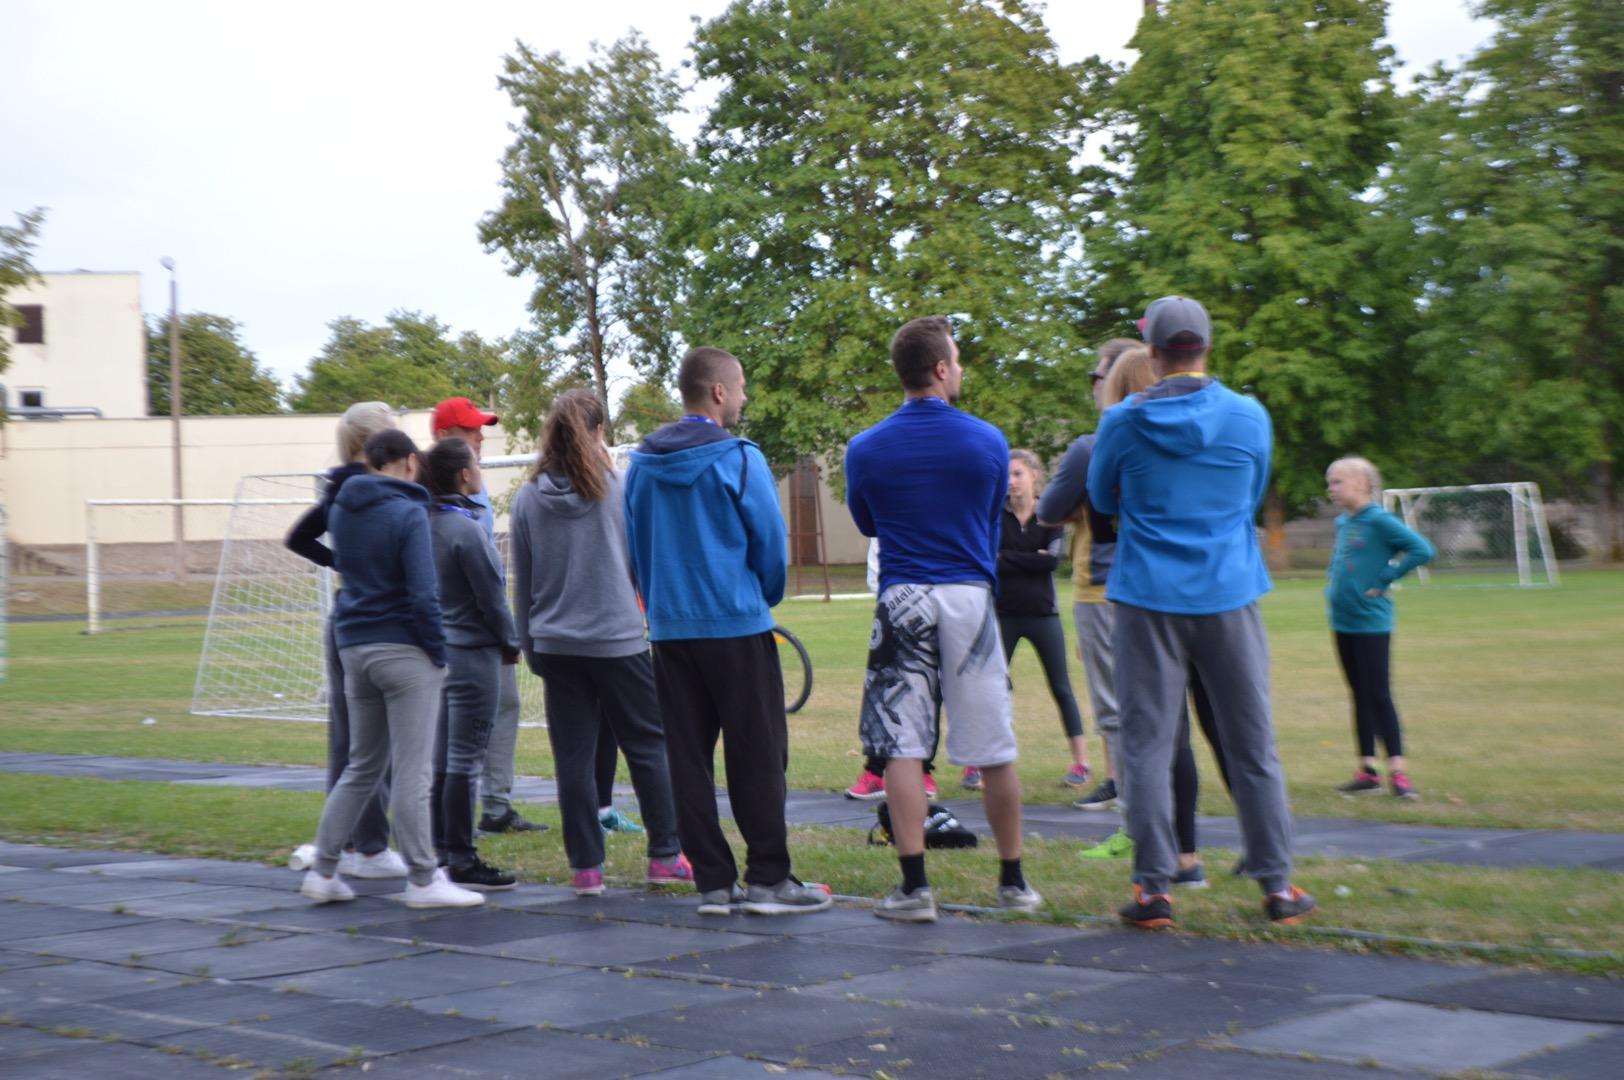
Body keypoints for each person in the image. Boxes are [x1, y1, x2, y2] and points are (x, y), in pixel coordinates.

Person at [1087, 295, 1313, 928]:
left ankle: (1153, 889)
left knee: (1147, 745)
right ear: (1206, 347)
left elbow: (1101, 497)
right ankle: (1277, 886)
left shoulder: (1122, 421)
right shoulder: (1248, 415)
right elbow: (1251, 490)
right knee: (1252, 742)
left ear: (1153, 353)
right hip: (1229, 591)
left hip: (1147, 597)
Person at [846, 316, 1042, 924]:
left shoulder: (865, 447)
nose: (960, 369)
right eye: (955, 360)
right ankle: (1013, 883)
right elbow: (988, 512)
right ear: (939, 369)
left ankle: (914, 888)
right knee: (994, 746)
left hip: (903, 593)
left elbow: (867, 522)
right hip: (968, 595)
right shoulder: (988, 441)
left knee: (902, 746)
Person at [624, 347, 829, 916]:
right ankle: (768, 878)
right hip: (736, 624)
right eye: (739, 387)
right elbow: (770, 545)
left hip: (671, 631)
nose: (743, 397)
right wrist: (759, 598)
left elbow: (634, 549)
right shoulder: (740, 458)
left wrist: (661, 603)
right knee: (758, 753)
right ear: (718, 392)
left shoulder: (639, 466)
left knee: (686, 759)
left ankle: (713, 882)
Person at [512, 389, 691, 896]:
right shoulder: (618, 487)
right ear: (597, 432)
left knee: (573, 760)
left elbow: (523, 581)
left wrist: (529, 645)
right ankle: (665, 855)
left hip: (556, 644)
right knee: (649, 746)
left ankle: (586, 868)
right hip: (617, 639)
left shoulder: (528, 497)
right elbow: (642, 563)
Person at [300, 429, 483, 909]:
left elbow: (329, 554)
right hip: (404, 651)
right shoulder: (409, 511)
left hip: (354, 645)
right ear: (409, 462)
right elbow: (423, 592)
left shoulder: (342, 505)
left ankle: (324, 870)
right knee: (413, 772)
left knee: (362, 766)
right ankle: (423, 879)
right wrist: (438, 653)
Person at [1063, 347, 1222, 887]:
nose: (1094, 384)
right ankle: (1211, 860)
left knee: (1152, 734)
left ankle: (1156, 868)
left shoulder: (1114, 432)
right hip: (1206, 592)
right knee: (1218, 732)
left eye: (1099, 376)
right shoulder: (1216, 424)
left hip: (1141, 597)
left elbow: (1096, 510)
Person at [284, 401, 407, 881]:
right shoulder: (372, 491)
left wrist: (342, 564)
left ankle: (345, 846)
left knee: (348, 739)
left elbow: (299, 537)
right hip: (375, 622)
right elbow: (300, 539)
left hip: (346, 618)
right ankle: (369, 847)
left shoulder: (339, 491)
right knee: (375, 742)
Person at [429, 397, 546, 837]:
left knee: (505, 705)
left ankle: (495, 806)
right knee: (453, 731)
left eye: (480, 430)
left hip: (485, 627)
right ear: (444, 437)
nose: (480, 438)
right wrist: (508, 634)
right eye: (470, 431)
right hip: (458, 632)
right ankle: (451, 825)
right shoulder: (428, 490)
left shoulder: (473, 487)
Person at [1038, 339, 1134, 815]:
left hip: (1101, 585)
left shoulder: (1090, 447)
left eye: (1098, 375)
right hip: (1160, 585)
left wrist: (1082, 506)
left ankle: (1124, 789)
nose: (1093, 384)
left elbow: (1048, 510)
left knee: (1112, 699)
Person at [421, 436, 521, 892]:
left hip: (438, 655)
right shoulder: (466, 530)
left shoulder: (421, 524)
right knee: (466, 757)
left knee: (444, 756)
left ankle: (441, 848)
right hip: (473, 654)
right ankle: (462, 858)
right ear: (464, 475)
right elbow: (491, 598)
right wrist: (511, 641)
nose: (480, 470)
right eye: (476, 464)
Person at [1324, 455, 1435, 799]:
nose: (1331, 489)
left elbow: (1422, 550)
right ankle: (1367, 771)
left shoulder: (1379, 520)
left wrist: (1386, 578)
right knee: (1358, 695)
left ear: (1362, 483)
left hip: (1371, 622)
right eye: (1330, 483)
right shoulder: (1344, 522)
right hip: (1342, 621)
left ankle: (1399, 774)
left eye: (1337, 482)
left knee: (1379, 694)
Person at [997, 448, 1089, 788]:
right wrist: (1027, 558)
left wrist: (1009, 557)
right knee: (993, 688)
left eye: (1018, 474)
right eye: (1007, 475)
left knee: (1061, 687)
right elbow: (991, 560)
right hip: (1004, 615)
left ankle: (1081, 763)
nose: (1011, 482)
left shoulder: (1050, 515)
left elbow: (1050, 562)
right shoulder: (997, 516)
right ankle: (981, 763)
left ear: (1035, 476)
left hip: (1043, 615)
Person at [845, 538, 940, 803]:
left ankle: (923, 769)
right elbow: (875, 560)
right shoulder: (887, 523)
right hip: (895, 607)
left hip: (939, 601)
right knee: (882, 688)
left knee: (930, 689)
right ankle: (874, 772)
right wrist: (891, 601)